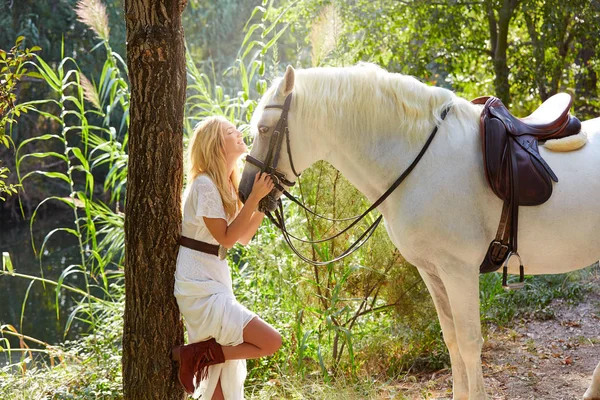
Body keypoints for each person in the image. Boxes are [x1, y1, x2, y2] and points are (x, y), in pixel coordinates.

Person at [172, 116, 282, 399]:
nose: (239, 133)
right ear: (217, 145)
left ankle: (203, 354)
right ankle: (197, 354)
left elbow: (243, 237)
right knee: (271, 341)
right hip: (199, 285)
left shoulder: (226, 186)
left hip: (214, 279)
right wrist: (254, 198)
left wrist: (267, 199)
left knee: (222, 378)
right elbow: (226, 238)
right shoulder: (205, 184)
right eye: (231, 132)